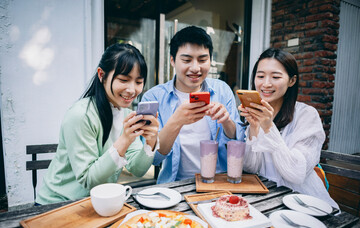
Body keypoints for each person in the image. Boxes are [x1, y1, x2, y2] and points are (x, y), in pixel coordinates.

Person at [36, 43, 159, 205]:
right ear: (102, 75)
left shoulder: (127, 114)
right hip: (56, 204)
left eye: (138, 82)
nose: (132, 90)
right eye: (123, 79)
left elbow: (138, 169)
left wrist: (150, 141)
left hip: (96, 203)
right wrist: (124, 140)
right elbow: (88, 179)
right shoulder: (80, 115)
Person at [141, 26, 245, 184]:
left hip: (219, 182)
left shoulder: (222, 90)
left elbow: (239, 142)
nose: (196, 68)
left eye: (203, 60)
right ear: (172, 60)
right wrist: (177, 120)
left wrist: (227, 121)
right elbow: (154, 158)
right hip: (176, 185)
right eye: (187, 60)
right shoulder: (154, 97)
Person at [239, 48, 338, 208]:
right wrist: (254, 128)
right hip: (268, 200)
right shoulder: (257, 112)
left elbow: (296, 173)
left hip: (305, 203)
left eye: (276, 77)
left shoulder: (307, 115)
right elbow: (251, 167)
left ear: (292, 81)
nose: (266, 84)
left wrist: (268, 126)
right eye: (260, 76)